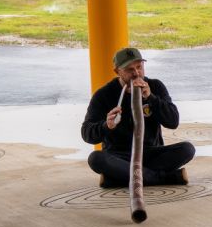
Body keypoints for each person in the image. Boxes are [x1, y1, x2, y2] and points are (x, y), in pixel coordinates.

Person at [81, 47, 195, 188]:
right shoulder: (103, 95)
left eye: (139, 67)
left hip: (151, 153)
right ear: (117, 72)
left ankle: (118, 179)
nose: (136, 73)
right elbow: (86, 133)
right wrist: (106, 125)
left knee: (187, 149)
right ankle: (163, 178)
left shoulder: (155, 86)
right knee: (96, 159)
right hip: (120, 157)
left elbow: (173, 122)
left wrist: (151, 98)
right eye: (129, 70)